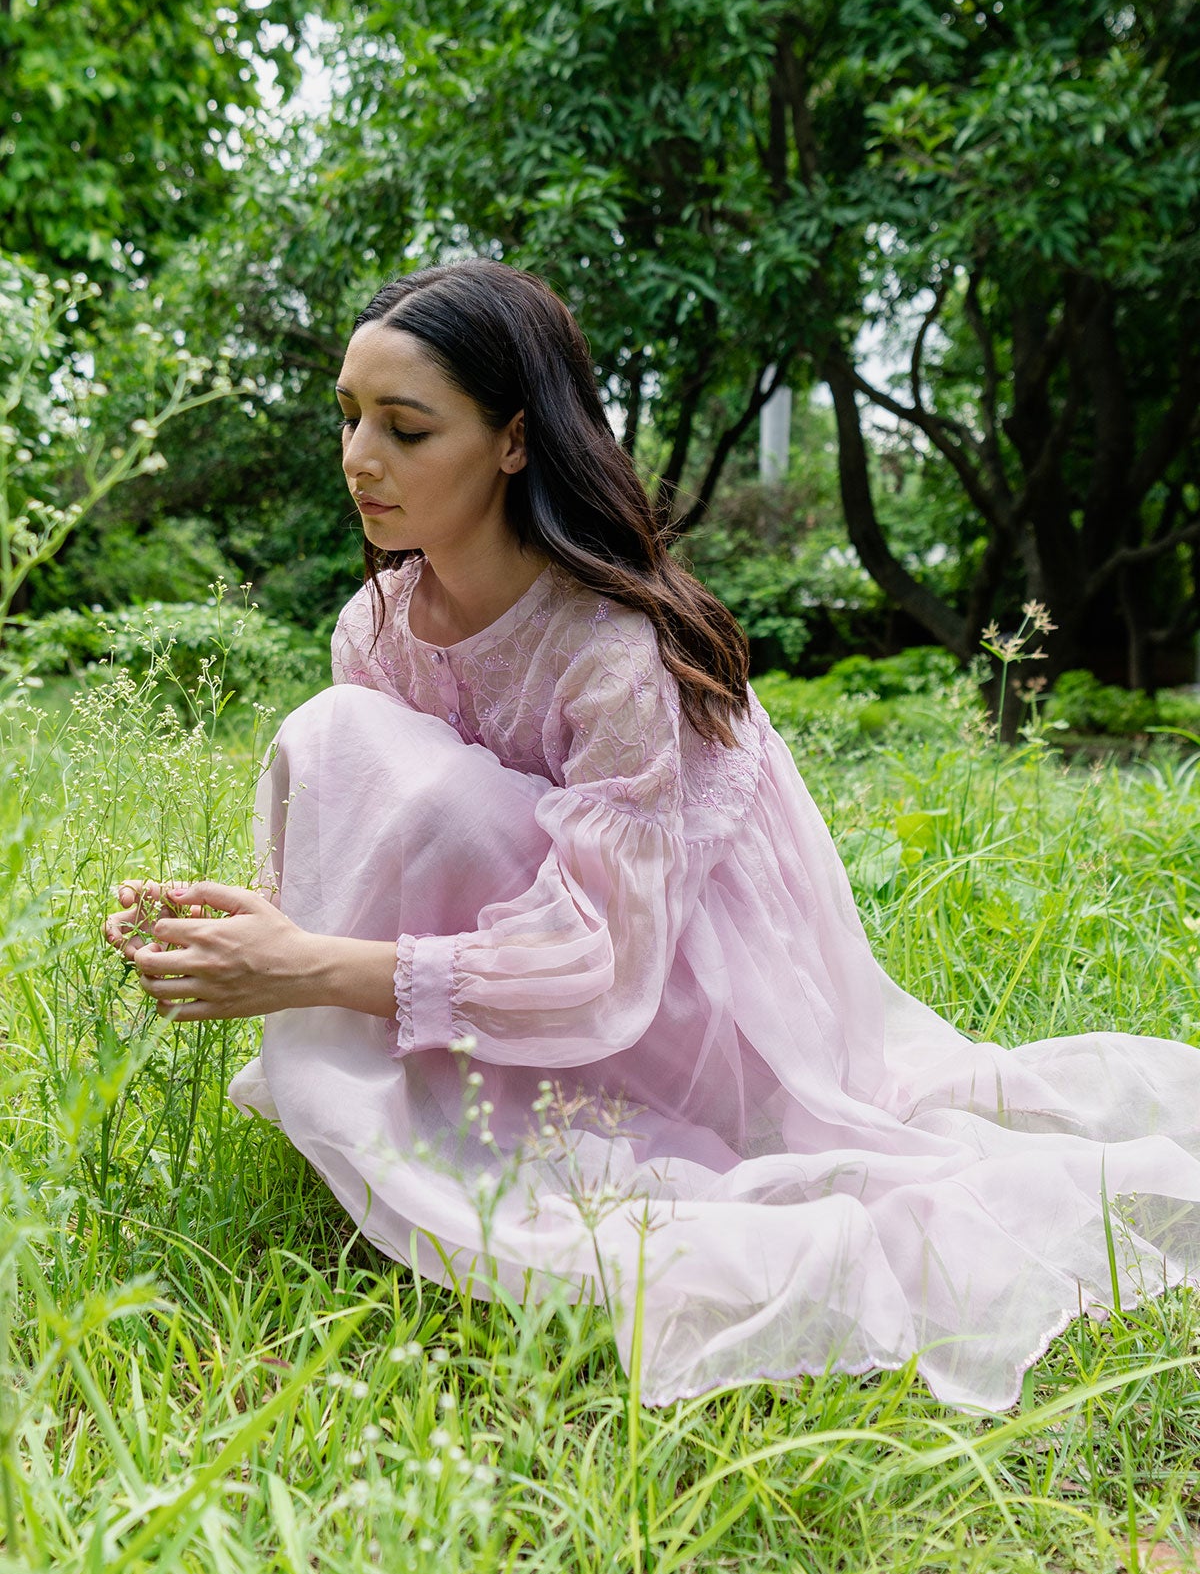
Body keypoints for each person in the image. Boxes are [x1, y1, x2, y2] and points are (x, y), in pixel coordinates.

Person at [104, 259, 1200, 1412]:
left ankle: (464, 1116)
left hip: (677, 1001)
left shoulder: (613, 647)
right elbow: (385, 842)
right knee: (342, 737)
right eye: (348, 417)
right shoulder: (376, 625)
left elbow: (604, 965)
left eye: (405, 428)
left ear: (514, 440)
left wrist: (308, 970)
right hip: (498, 974)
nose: (358, 457)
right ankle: (394, 1109)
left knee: (355, 747)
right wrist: (247, 932)